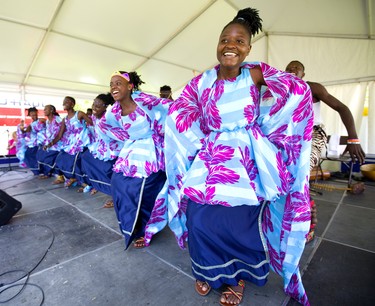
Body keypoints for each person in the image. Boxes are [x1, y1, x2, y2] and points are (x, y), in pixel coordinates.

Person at [164, 7, 313, 306]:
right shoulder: (202, 81)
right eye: (224, 39)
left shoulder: (255, 73)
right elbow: (180, 112)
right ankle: (207, 269)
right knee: (200, 216)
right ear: (217, 45)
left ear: (248, 48)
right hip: (212, 154)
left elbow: (297, 92)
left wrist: (272, 128)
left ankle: (237, 276)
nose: (230, 45)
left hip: (248, 155)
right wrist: (193, 138)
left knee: (240, 218)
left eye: (239, 40)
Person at [285, 60, 366, 242]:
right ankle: (287, 219)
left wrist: (353, 138)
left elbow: (342, 108)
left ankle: (308, 224)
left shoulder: (313, 88)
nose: (292, 71)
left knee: (301, 171)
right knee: (281, 177)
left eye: (296, 68)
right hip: (289, 136)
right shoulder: (282, 91)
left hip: (313, 133)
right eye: (288, 68)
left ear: (303, 74)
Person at [99, 71, 171, 249]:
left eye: (118, 83)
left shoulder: (145, 101)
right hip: (131, 152)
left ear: (130, 86)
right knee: (119, 184)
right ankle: (133, 227)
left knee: (143, 192)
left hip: (151, 153)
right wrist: (120, 140)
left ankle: (147, 229)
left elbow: (171, 109)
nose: (114, 87)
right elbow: (103, 127)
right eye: (111, 84)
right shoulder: (113, 111)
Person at [81, 93, 122, 207]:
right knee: (86, 157)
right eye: (94, 104)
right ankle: (97, 184)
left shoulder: (109, 118)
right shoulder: (94, 117)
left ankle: (117, 196)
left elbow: (119, 135)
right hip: (100, 148)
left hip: (113, 149)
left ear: (106, 107)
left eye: (98, 106)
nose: (94, 108)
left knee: (111, 172)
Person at [47, 96, 92, 186]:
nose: (64, 103)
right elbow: (60, 135)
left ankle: (83, 182)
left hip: (81, 141)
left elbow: (92, 123)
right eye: (63, 102)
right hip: (70, 143)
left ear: (72, 104)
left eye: (67, 102)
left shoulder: (79, 114)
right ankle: (72, 178)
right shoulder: (65, 119)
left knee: (74, 160)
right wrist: (50, 144)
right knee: (61, 158)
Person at [36, 105, 63, 179]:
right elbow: (48, 133)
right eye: (44, 109)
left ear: (51, 110)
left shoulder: (58, 119)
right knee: (40, 154)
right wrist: (47, 143)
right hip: (50, 143)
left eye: (46, 109)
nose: (44, 111)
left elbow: (60, 132)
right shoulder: (47, 121)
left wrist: (50, 144)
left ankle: (50, 174)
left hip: (58, 143)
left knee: (49, 156)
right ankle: (46, 172)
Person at [20, 107, 46, 176]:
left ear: (37, 113)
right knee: (27, 155)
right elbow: (25, 132)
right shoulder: (31, 124)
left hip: (42, 141)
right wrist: (22, 128)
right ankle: (37, 171)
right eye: (31, 114)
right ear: (29, 115)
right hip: (34, 143)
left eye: (34, 113)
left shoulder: (42, 120)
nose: (33, 115)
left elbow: (50, 125)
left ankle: (43, 171)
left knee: (40, 157)